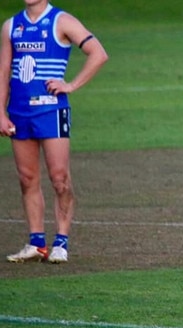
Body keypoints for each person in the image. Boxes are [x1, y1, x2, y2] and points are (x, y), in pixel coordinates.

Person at [0, 0, 108, 263]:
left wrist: (70, 85)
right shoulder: (11, 26)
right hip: (19, 112)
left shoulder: (62, 21)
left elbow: (98, 53)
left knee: (59, 178)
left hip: (51, 112)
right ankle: (36, 242)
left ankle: (61, 241)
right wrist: (1, 112)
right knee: (27, 178)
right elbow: (3, 71)